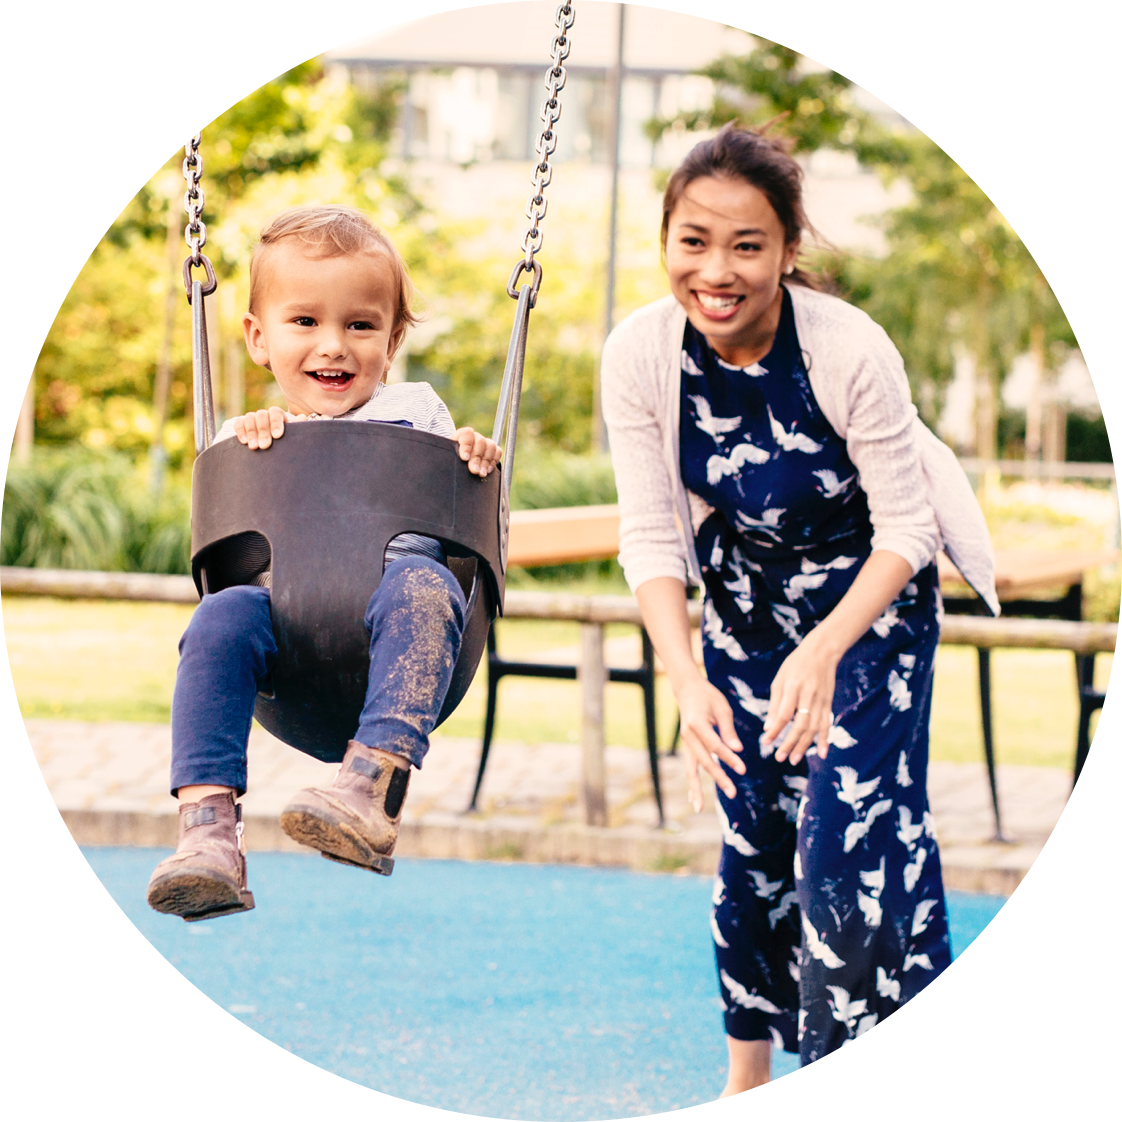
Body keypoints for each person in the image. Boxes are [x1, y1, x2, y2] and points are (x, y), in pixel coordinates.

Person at [600, 126, 997, 1086]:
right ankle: (744, 1076)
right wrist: (686, 677)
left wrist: (824, 651)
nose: (717, 270)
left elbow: (908, 528)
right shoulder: (641, 353)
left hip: (871, 614)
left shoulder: (849, 347)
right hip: (742, 612)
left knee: (846, 848)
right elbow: (652, 536)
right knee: (755, 845)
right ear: (666, 240)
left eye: (747, 245)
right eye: (693, 240)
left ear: (786, 251)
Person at [147, 206, 501, 922]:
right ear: (257, 338)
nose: (333, 346)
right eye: (304, 322)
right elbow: (235, 550)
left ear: (393, 339)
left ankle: (370, 787)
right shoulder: (254, 432)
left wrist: (473, 453)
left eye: (361, 325)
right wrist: (247, 445)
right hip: (286, 634)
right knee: (219, 618)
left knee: (424, 585)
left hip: (396, 631)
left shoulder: (418, 413)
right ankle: (208, 831)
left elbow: (455, 491)